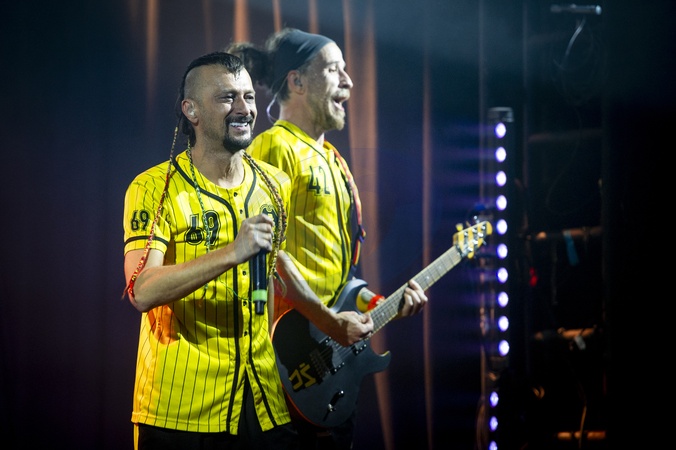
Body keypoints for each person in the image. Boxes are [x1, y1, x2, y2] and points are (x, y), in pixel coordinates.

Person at [122, 51, 373, 450]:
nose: (244, 109)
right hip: (180, 410)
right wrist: (231, 252)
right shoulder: (153, 187)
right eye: (227, 97)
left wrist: (331, 323)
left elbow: (277, 266)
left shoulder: (274, 184)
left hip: (263, 402)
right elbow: (142, 289)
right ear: (191, 110)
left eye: (249, 97)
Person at [227, 29, 429, 450]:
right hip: (288, 361)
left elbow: (342, 278)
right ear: (297, 81)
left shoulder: (336, 161)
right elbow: (265, 253)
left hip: (330, 369)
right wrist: (328, 321)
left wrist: (380, 305)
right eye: (334, 69)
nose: (349, 81)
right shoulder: (274, 146)